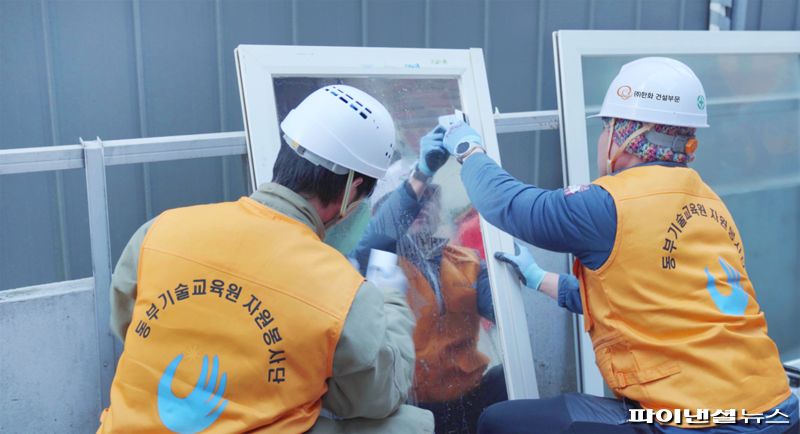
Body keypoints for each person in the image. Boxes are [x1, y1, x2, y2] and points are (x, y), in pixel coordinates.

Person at [434, 57, 798, 433]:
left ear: (629, 136)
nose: (602, 137)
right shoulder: (707, 201)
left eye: (607, 126)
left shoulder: (610, 203)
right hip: (774, 407)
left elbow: (512, 207)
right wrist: (540, 278)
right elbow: (649, 299)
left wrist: (469, 152)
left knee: (501, 422)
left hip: (701, 421)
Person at [98, 85, 433, 434]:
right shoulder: (342, 291)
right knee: (406, 425)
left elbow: (128, 324)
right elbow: (375, 396)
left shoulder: (158, 231)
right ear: (352, 190)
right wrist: (389, 301)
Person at [351, 129, 508, 434]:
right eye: (414, 201)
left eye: (429, 198)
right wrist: (421, 175)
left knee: (507, 386)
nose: (422, 206)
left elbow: (503, 311)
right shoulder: (377, 263)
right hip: (409, 410)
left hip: (470, 399)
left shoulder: (465, 261)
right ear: (383, 211)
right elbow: (379, 235)